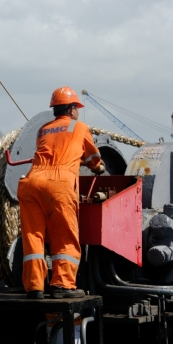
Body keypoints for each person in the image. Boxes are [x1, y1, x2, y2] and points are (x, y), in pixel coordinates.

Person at [18, 86, 105, 299]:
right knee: (64, 234)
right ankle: (63, 285)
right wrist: (98, 167)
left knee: (33, 236)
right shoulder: (79, 127)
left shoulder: (43, 130)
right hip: (59, 184)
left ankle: (35, 287)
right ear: (73, 109)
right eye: (77, 108)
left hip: (31, 181)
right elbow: (92, 157)